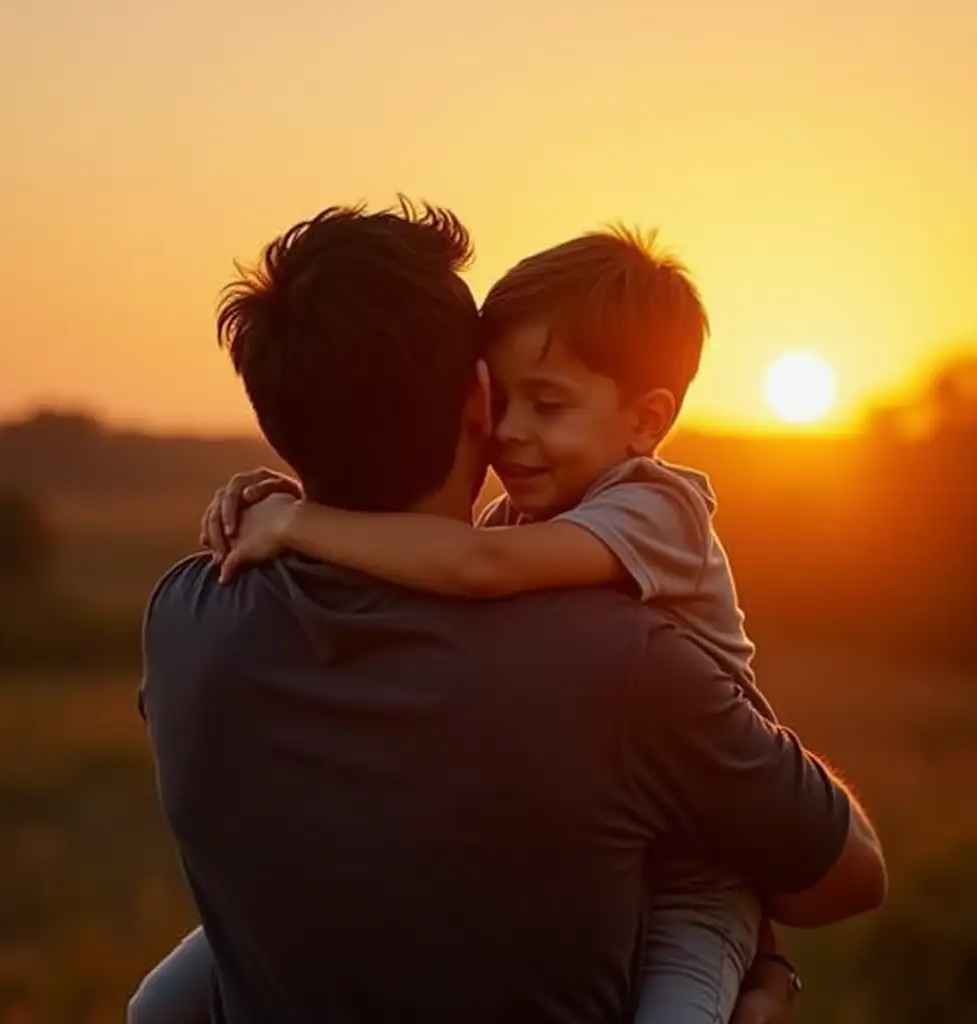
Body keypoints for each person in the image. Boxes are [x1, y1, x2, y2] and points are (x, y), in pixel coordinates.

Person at [134, 200, 887, 1024]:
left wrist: (292, 515)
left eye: (550, 403)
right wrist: (769, 978)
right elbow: (850, 875)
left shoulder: (186, 619)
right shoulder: (615, 660)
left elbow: (471, 570)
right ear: (477, 403)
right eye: (509, 396)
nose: (519, 430)